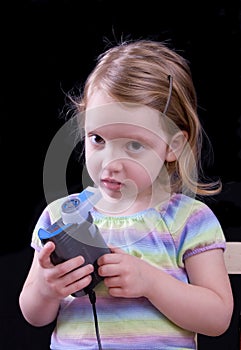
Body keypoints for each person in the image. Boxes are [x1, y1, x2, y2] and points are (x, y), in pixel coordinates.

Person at [19, 39, 233, 350]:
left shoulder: (189, 219)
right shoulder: (61, 216)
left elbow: (217, 318)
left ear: (173, 145)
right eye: (97, 139)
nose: (110, 163)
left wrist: (151, 283)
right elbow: (33, 314)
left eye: (133, 145)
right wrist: (47, 289)